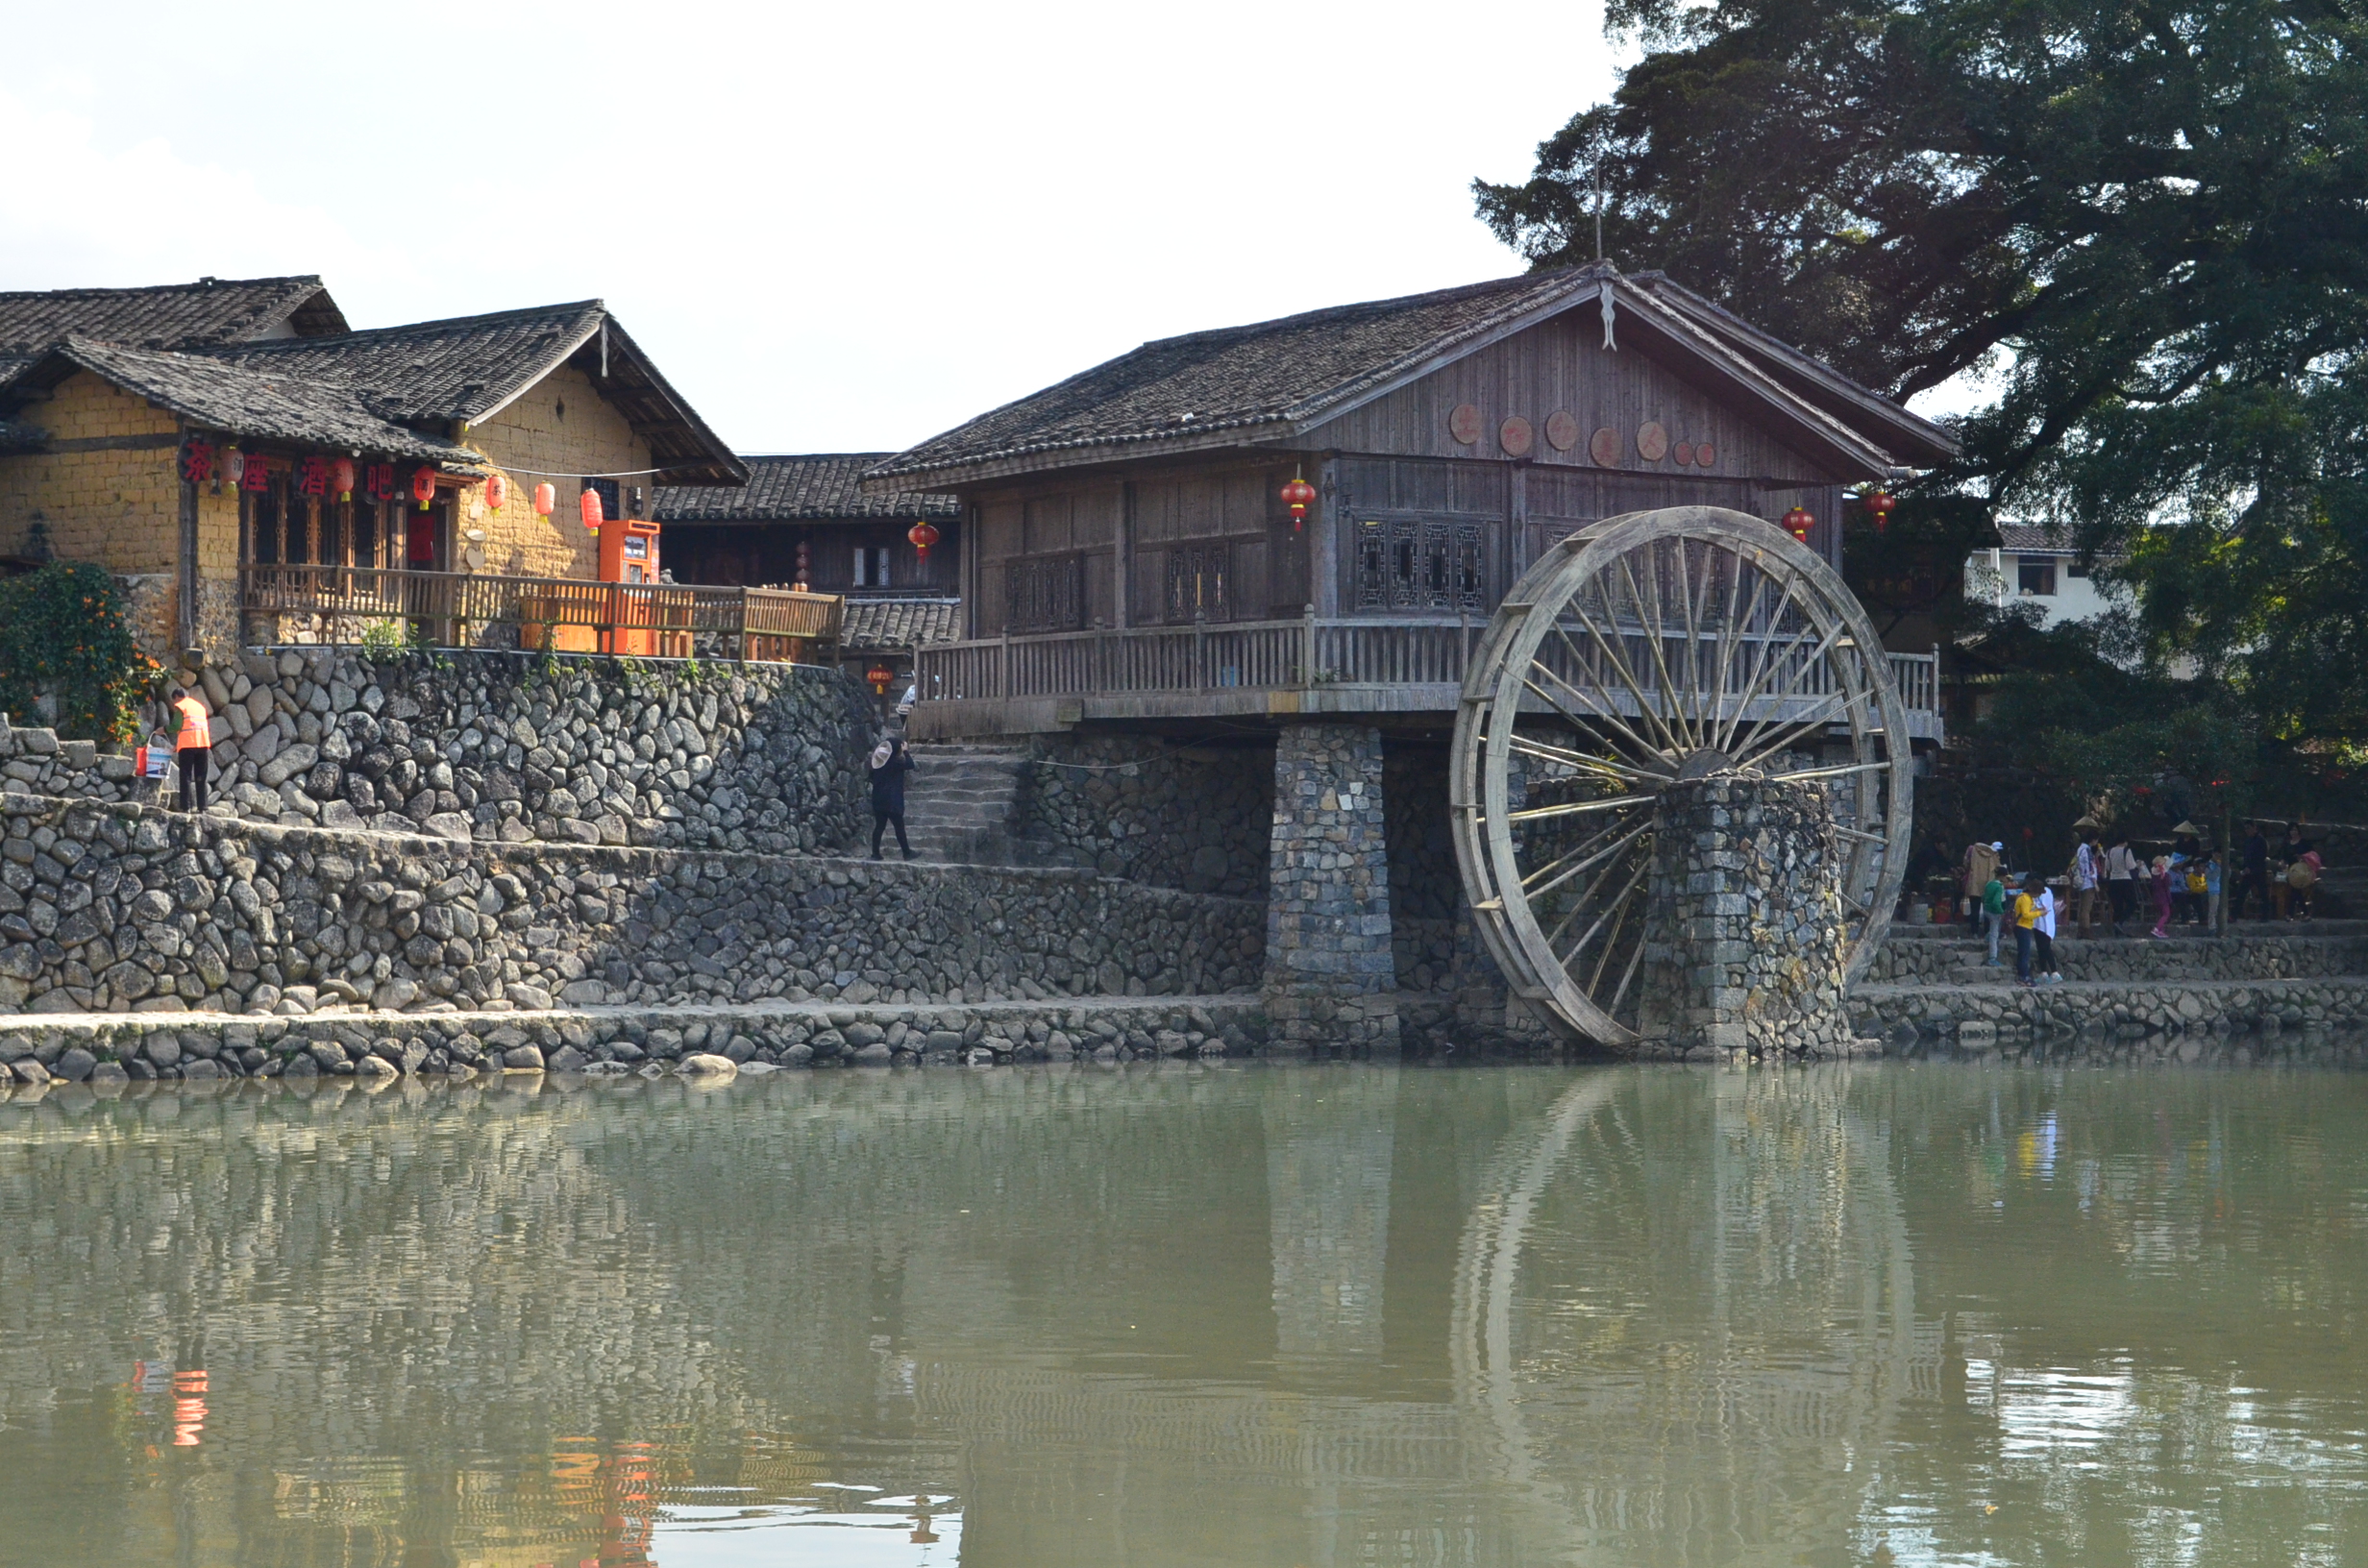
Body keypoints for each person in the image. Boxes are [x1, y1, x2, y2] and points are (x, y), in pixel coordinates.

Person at [868, 735, 916, 861]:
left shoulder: (877, 764)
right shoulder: (896, 763)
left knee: (879, 826)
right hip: (892, 800)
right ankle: (907, 853)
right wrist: (906, 751)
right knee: (899, 827)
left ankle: (875, 854)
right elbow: (911, 765)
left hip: (878, 798)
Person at [171, 689, 212, 813]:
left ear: (177, 697)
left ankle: (186, 807)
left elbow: (176, 726)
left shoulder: (181, 706)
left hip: (187, 746)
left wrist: (164, 729)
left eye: (174, 700)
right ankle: (202, 808)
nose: (174, 704)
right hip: (202, 744)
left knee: (186, 776)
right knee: (201, 777)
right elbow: (193, 726)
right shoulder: (199, 707)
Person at [2105, 836, 2139, 937]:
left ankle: (2117, 933)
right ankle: (2119, 922)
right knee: (2132, 903)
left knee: (2117, 906)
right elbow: (2131, 866)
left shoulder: (2109, 851)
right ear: (2125, 841)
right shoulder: (2126, 851)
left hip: (2113, 880)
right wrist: (2138, 866)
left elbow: (2107, 867)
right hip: (2125, 879)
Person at [2236, 824, 2270, 921]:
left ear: (2254, 828)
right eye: (2246, 828)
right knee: (2241, 893)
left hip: (2258, 871)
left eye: (2249, 828)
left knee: (2264, 894)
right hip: (2248, 872)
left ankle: (2265, 916)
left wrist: (2252, 868)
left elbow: (2261, 857)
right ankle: (2234, 915)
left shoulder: (2261, 841)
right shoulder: (2247, 841)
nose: (2247, 830)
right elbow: (2246, 856)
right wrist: (2245, 867)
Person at [2032, 874, 2061, 983]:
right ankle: (2043, 972)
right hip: (2036, 923)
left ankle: (2054, 972)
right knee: (2040, 948)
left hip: (2045, 924)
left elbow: (2044, 906)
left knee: (2046, 948)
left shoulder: (2046, 892)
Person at [1962, 840, 2001, 922]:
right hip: (1988, 885)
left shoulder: (1972, 850)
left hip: (1974, 884)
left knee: (1974, 910)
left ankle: (1974, 932)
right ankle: (1986, 931)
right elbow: (1998, 867)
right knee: (1987, 910)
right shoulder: (1993, 853)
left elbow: (1966, 864)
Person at [2010, 876, 2039, 986]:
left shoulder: (2026, 898)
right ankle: (2024, 976)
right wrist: (2039, 913)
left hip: (2025, 927)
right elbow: (2026, 914)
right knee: (2024, 953)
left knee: (2023, 952)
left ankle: (2022, 975)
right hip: (2022, 927)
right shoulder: (2025, 899)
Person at [2071, 836, 2101, 940]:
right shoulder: (2087, 850)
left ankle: (2080, 931)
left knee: (2081, 907)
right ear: (2092, 839)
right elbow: (2090, 868)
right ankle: (2087, 931)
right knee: (2086, 909)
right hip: (2088, 882)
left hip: (2081, 881)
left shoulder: (2080, 849)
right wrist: (2095, 883)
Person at [1981, 867, 2008, 967]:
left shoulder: (1989, 884)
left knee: (1993, 928)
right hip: (1994, 912)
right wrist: (2001, 911)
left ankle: (1987, 936)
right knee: (1994, 935)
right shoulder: (1999, 886)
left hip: (1986, 910)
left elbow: (1983, 897)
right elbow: (1996, 902)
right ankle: (1992, 957)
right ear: (2003, 876)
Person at [2286, 847, 2320, 921]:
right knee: (2297, 895)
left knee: (2295, 893)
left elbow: (2311, 855)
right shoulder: (2287, 843)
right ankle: (2305, 914)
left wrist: (2302, 857)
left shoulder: (2304, 844)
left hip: (2302, 873)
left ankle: (2291, 914)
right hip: (2293, 872)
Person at [2149, 854, 2175, 940]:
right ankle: (2156, 929)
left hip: (2156, 897)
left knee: (2161, 913)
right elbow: (2168, 884)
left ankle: (2161, 930)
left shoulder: (2153, 874)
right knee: (2166, 914)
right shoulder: (2164, 874)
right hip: (2163, 897)